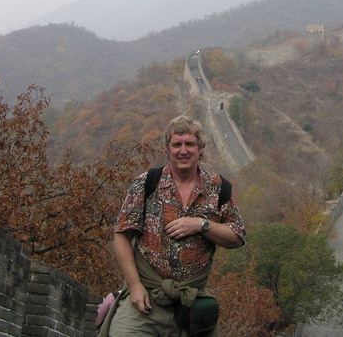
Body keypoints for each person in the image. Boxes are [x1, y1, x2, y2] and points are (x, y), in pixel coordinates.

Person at [101, 115, 246, 336]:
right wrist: (135, 286)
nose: (183, 150)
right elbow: (121, 234)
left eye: (190, 144)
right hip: (147, 299)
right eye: (176, 144)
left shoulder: (219, 188)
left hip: (192, 304)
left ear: (200, 149)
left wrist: (201, 224)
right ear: (167, 150)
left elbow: (237, 237)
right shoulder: (147, 183)